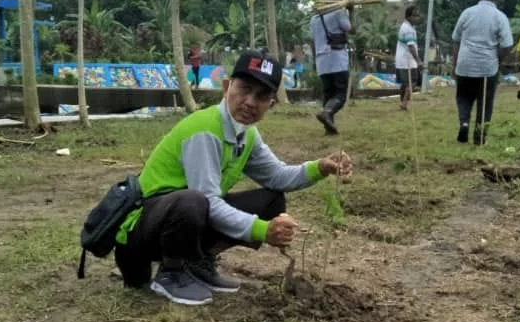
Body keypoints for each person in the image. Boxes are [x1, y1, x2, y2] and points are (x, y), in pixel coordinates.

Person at [112, 50, 354, 307]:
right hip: (141, 235)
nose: (250, 102)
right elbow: (207, 200)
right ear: (226, 87)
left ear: (271, 104)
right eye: (244, 89)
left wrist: (321, 167)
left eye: (261, 96)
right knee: (194, 201)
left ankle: (196, 263)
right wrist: (261, 230)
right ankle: (172, 272)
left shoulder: (247, 134)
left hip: (181, 221)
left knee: (270, 200)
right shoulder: (204, 129)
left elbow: (276, 176)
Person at [451, 0, 514, 145]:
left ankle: (464, 123)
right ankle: (479, 138)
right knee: (485, 103)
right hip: (487, 67)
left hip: (464, 64)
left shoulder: (467, 13)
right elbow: (507, 44)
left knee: (463, 98)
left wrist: (455, 64)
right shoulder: (500, 17)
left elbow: (456, 40)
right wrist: (498, 59)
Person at [310, 0, 354, 135]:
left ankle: (329, 128)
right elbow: (350, 29)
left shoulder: (315, 18)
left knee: (329, 94)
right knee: (341, 94)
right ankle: (327, 113)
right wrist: (351, 11)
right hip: (336, 58)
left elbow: (314, 40)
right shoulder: (338, 12)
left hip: (321, 60)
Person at [394, 4, 422, 110]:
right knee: (413, 82)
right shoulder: (408, 29)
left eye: (418, 15)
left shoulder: (408, 26)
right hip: (407, 60)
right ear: (408, 17)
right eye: (415, 16)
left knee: (405, 83)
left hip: (403, 60)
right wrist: (418, 60)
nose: (417, 18)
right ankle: (404, 103)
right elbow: (410, 46)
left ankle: (402, 102)